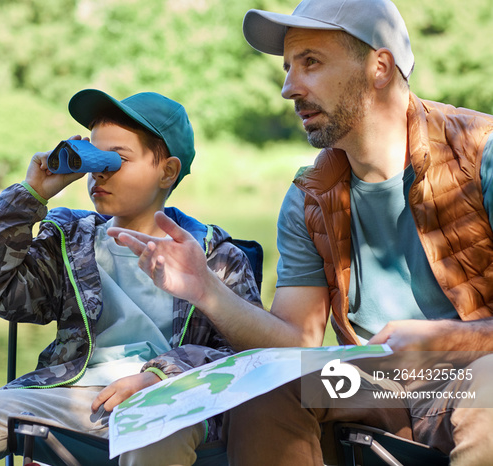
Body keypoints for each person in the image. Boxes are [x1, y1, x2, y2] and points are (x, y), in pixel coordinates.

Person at [107, 0, 493, 464]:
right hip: (374, 385)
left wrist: (447, 340)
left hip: (474, 373)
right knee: (269, 385)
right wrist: (206, 289)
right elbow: (296, 343)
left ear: (380, 66)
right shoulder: (310, 196)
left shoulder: (480, 154)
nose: (289, 87)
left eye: (310, 62)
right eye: (288, 67)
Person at [0, 88, 263, 466]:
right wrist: (31, 195)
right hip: (72, 397)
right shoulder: (70, 241)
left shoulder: (216, 256)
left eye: (117, 159)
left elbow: (247, 358)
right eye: (95, 156)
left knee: (153, 429)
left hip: (170, 399)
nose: (98, 172)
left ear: (167, 171)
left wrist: (163, 374)